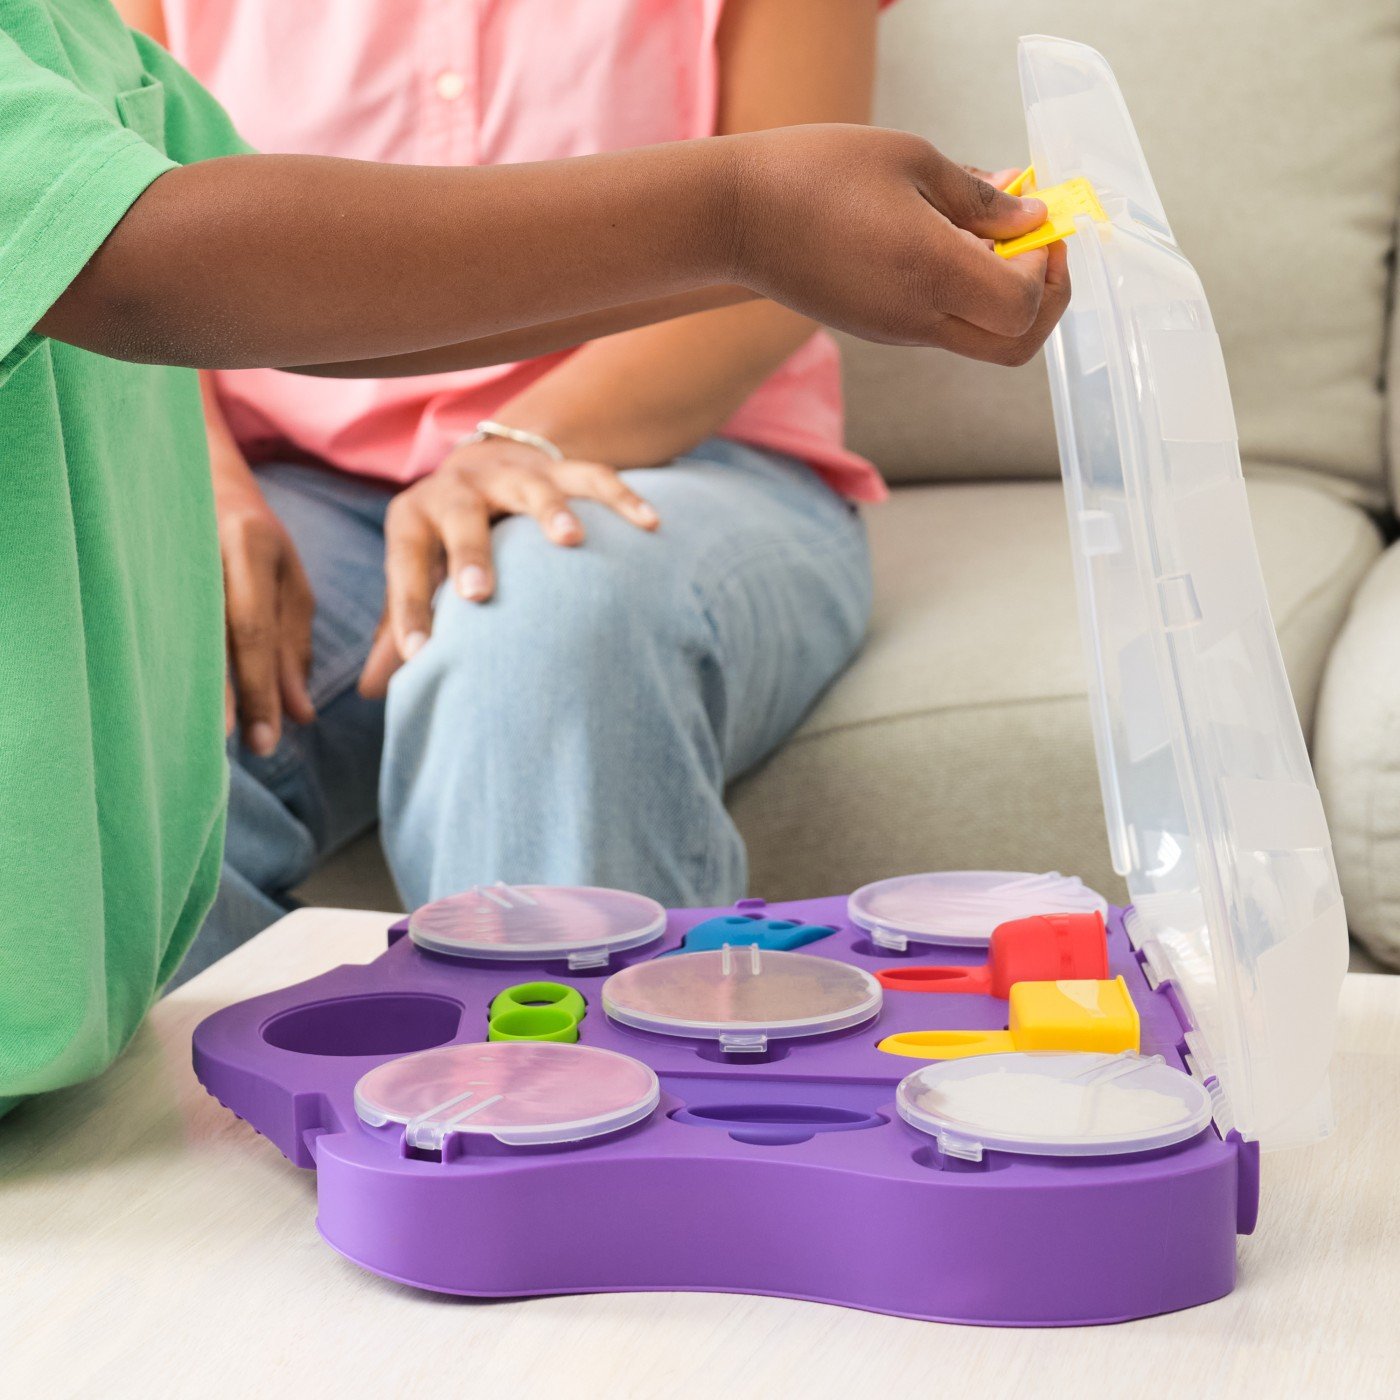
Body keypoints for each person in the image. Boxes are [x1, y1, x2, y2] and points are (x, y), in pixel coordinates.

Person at [0, 0, 1065, 1111]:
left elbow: (237, 248)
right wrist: (196, 489)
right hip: (295, 480)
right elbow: (158, 255)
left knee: (541, 628)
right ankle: (320, 1128)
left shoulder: (70, 36)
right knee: (155, 709)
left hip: (671, 460)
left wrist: (771, 237)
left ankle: (572, 1128)